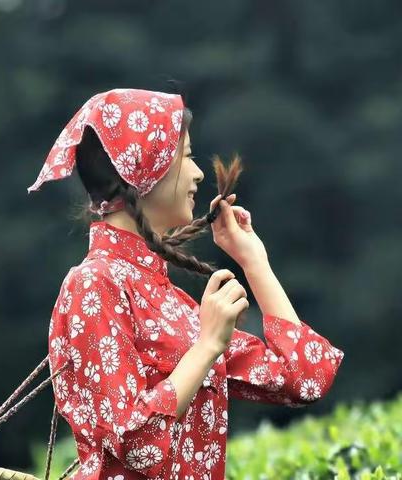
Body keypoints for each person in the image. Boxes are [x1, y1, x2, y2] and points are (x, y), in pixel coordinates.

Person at [27, 88, 344, 480]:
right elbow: (134, 445)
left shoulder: (170, 303)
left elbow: (304, 377)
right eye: (187, 156)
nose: (197, 173)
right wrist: (207, 346)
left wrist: (253, 260)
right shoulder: (93, 286)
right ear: (145, 167)